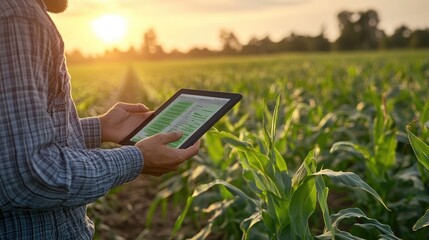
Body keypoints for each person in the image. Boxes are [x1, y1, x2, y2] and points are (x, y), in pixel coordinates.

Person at [0, 0, 200, 239]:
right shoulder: (18, 15)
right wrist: (137, 159)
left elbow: (9, 144)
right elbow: (29, 175)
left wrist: (101, 127)